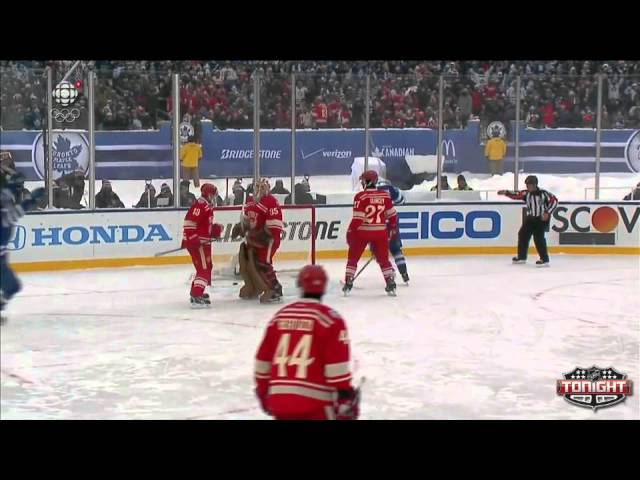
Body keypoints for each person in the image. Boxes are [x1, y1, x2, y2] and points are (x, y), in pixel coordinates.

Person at [254, 264, 360, 420]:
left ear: (300, 286)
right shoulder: (331, 320)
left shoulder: (280, 317)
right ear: (324, 287)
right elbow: (337, 374)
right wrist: (346, 398)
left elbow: (262, 364)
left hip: (280, 405)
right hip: (316, 407)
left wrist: (264, 394)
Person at [343, 170, 398, 296]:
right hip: (380, 232)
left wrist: (350, 231)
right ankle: (390, 282)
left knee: (353, 258)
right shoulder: (385, 196)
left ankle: (349, 281)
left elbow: (358, 219)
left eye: (363, 180)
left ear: (367, 181)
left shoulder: (360, 197)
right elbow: (392, 215)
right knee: (384, 260)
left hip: (363, 232)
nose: (361, 182)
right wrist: (393, 228)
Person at [1, 169, 45, 324]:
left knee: (13, 286)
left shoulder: (7, 197)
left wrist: (29, 199)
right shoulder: (4, 198)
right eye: (19, 185)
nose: (21, 187)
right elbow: (9, 218)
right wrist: (30, 200)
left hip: (1, 256)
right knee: (12, 286)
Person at [498, 175, 558, 267]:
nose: (528, 187)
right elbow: (516, 195)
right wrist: (506, 192)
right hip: (531, 218)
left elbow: (554, 201)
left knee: (538, 238)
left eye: (529, 185)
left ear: (535, 185)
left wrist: (547, 213)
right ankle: (522, 257)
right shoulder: (526, 194)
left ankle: (544, 259)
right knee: (522, 234)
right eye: (527, 185)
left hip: (541, 219)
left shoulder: (544, 193)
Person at [181, 183, 223, 307]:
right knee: (203, 270)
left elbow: (203, 227)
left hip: (203, 243)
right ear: (209, 194)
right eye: (213, 195)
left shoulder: (206, 206)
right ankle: (197, 294)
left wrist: (215, 230)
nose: (214, 197)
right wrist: (194, 239)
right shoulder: (200, 205)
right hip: (199, 244)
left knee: (206, 267)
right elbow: (189, 223)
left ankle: (196, 292)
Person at [245, 178, 284, 303]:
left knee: (264, 264)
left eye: (262, 188)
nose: (259, 190)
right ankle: (257, 287)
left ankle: (275, 289)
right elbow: (249, 221)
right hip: (257, 240)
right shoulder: (251, 202)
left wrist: (266, 234)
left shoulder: (270, 201)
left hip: (269, 240)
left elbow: (275, 225)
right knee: (254, 263)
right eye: (258, 187)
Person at [376, 178, 410, 283]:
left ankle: (390, 272)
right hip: (392, 223)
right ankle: (404, 274)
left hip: (377, 225)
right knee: (396, 250)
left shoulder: (371, 190)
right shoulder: (391, 189)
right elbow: (401, 201)